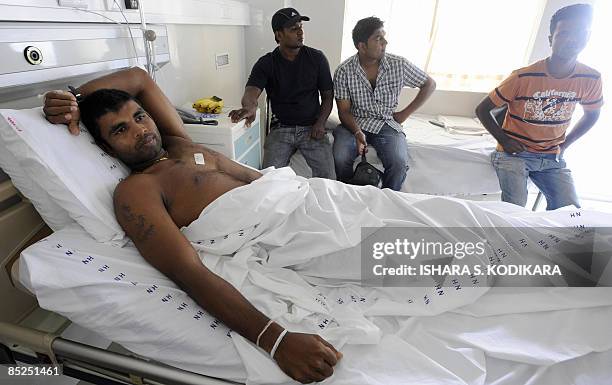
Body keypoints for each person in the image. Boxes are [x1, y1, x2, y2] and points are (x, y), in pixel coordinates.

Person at [43, 67, 341, 384]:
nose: (140, 130)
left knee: (395, 233)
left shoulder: (179, 144)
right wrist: (277, 340)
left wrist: (76, 96)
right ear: (106, 148)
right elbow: (188, 270)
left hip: (305, 202)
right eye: (120, 130)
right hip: (281, 234)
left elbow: (138, 78)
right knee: (392, 255)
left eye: (140, 117)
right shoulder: (138, 190)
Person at [475, 4, 602, 210]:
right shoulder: (523, 76)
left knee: (571, 212)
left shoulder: (591, 78)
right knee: (515, 209)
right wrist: (504, 140)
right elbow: (482, 109)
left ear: (588, 38)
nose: (571, 39)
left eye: (579, 33)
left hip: (551, 156)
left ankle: (548, 241)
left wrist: (565, 144)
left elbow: (592, 115)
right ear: (551, 39)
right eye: (564, 33)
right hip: (514, 154)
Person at [229, 8, 335, 179]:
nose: (300, 32)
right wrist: (249, 107)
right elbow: (251, 91)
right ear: (279, 35)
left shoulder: (317, 58)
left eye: (301, 27)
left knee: (329, 179)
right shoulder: (267, 63)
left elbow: (328, 96)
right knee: (268, 179)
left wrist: (321, 123)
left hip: (312, 127)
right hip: (281, 129)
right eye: (294, 29)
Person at [333, 16, 436, 191]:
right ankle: (347, 194)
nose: (385, 42)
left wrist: (404, 114)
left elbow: (429, 84)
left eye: (384, 37)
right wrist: (357, 132)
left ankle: (387, 200)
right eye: (378, 38)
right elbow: (344, 111)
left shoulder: (398, 65)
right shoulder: (344, 71)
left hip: (386, 123)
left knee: (399, 162)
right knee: (340, 156)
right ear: (362, 46)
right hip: (355, 123)